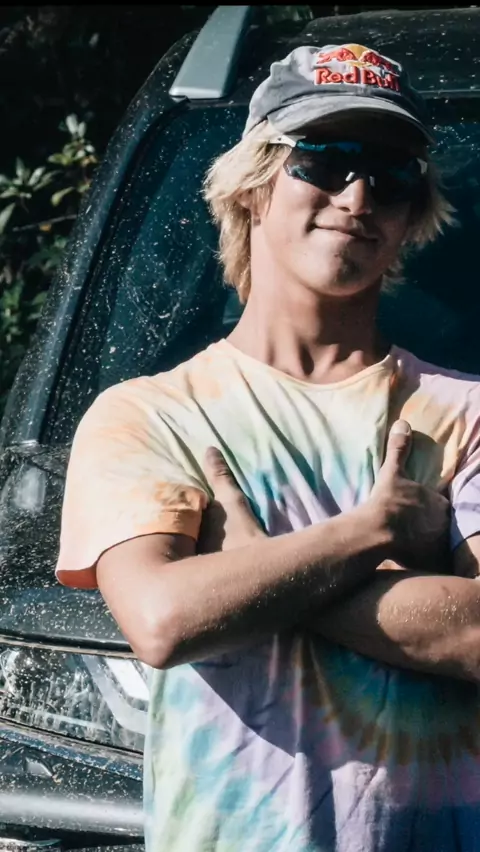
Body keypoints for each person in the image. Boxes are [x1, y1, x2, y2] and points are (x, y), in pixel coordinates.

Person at [56, 42, 480, 852]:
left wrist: (257, 571)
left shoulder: (466, 413)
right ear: (254, 184)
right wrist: (369, 534)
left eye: (390, 176)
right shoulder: (149, 415)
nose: (357, 195)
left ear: (410, 218)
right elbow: (164, 618)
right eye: (324, 159)